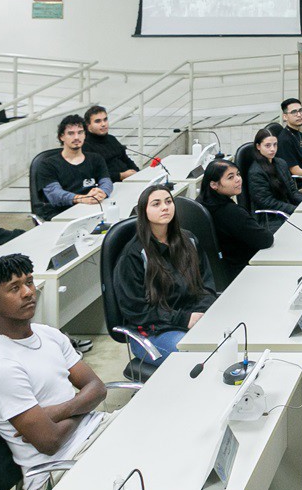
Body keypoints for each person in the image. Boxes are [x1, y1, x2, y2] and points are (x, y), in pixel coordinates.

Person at [0, 254, 112, 490]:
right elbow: (50, 442)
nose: (28, 292)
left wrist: (53, 413)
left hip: (95, 431)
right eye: (14, 288)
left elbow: (98, 389)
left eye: (29, 282)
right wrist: (81, 405)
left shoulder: (47, 334)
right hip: (58, 471)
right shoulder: (1, 367)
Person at [111, 184, 217, 366]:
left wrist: (199, 313)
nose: (165, 207)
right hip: (152, 332)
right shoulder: (133, 255)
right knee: (195, 357)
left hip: (191, 320)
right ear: (143, 212)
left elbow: (206, 286)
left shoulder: (188, 240)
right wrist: (184, 319)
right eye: (156, 204)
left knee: (231, 341)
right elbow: (137, 310)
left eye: (168, 201)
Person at [197, 160, 274, 280]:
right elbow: (266, 240)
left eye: (238, 174)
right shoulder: (230, 212)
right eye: (230, 177)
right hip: (242, 272)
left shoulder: (201, 202)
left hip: (217, 272)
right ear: (214, 185)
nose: (238, 179)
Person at [33, 115, 113, 220]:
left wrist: (102, 192)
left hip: (93, 211)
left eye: (80, 132)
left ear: (85, 135)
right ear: (61, 137)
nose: (76, 137)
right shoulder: (47, 164)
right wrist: (82, 198)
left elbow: (107, 182)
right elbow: (55, 195)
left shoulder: (96, 158)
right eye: (71, 133)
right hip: (61, 216)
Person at [246, 127, 302, 230]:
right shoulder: (256, 172)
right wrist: (295, 209)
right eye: (268, 146)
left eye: (275, 144)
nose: (272, 149)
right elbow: (267, 202)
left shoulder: (280, 163)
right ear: (258, 146)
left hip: (285, 209)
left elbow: (293, 191)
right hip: (270, 217)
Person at [81, 105, 139, 183]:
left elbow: (126, 160)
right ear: (88, 125)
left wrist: (138, 173)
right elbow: (94, 175)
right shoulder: (85, 146)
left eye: (105, 120)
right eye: (98, 121)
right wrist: (121, 175)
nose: (103, 124)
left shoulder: (112, 139)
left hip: (129, 180)